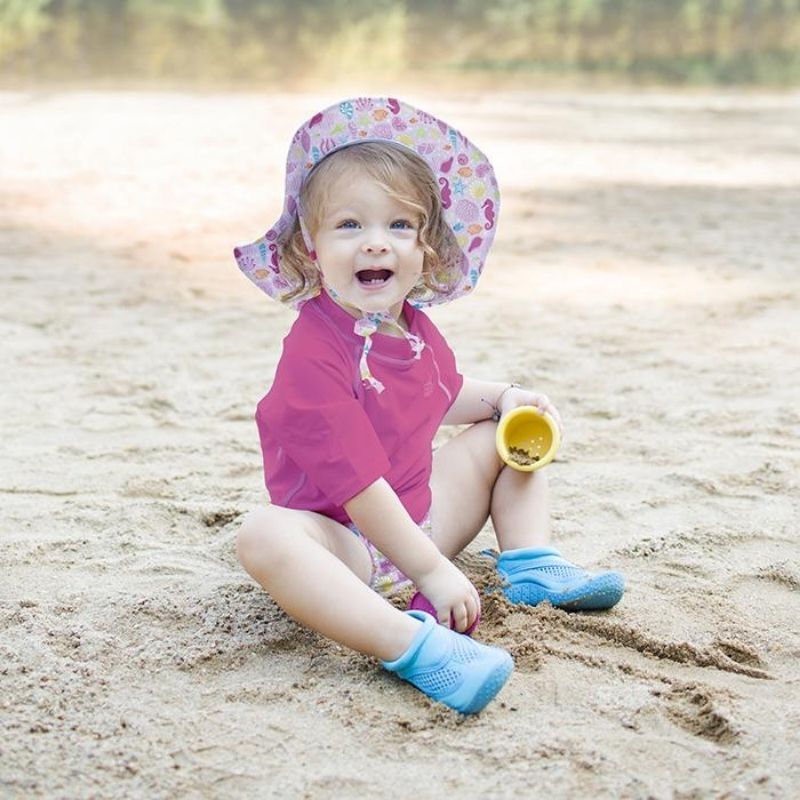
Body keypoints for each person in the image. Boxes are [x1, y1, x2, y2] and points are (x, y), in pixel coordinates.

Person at [233, 97, 624, 715]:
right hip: (349, 545)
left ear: (427, 248)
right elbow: (358, 487)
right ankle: (417, 649)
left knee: (506, 433)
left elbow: (439, 398)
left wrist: (503, 398)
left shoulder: (411, 327)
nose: (374, 244)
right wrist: (434, 572)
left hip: (422, 521)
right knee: (263, 535)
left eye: (398, 226)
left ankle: (530, 563)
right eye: (349, 225)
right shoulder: (312, 354)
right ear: (311, 247)